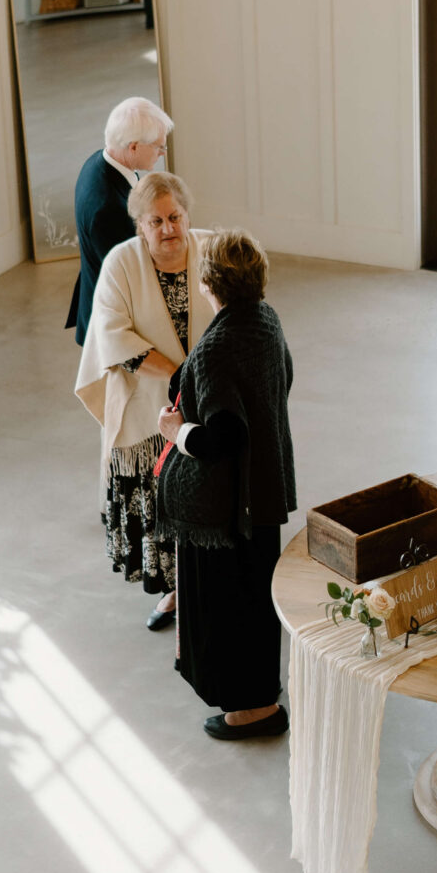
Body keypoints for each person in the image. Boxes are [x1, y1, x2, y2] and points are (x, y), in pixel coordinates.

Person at [154, 230, 294, 740]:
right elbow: (283, 380)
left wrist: (176, 430)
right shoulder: (266, 320)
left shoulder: (217, 348)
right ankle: (261, 697)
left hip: (224, 505)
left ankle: (250, 710)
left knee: (227, 603)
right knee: (257, 597)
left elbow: (222, 438)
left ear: (210, 284)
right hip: (264, 488)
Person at [75, 172, 202, 633]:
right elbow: (111, 335)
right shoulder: (120, 263)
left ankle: (203, 591)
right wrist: (179, 374)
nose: (168, 229)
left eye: (175, 217)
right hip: (145, 411)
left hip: (206, 407)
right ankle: (174, 594)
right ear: (139, 226)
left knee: (203, 504)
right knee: (159, 506)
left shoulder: (210, 251)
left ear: (187, 216)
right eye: (156, 221)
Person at [65, 95, 175, 343]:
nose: (161, 153)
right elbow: (132, 277)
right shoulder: (108, 209)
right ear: (133, 146)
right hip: (112, 322)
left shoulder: (98, 161)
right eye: (158, 147)